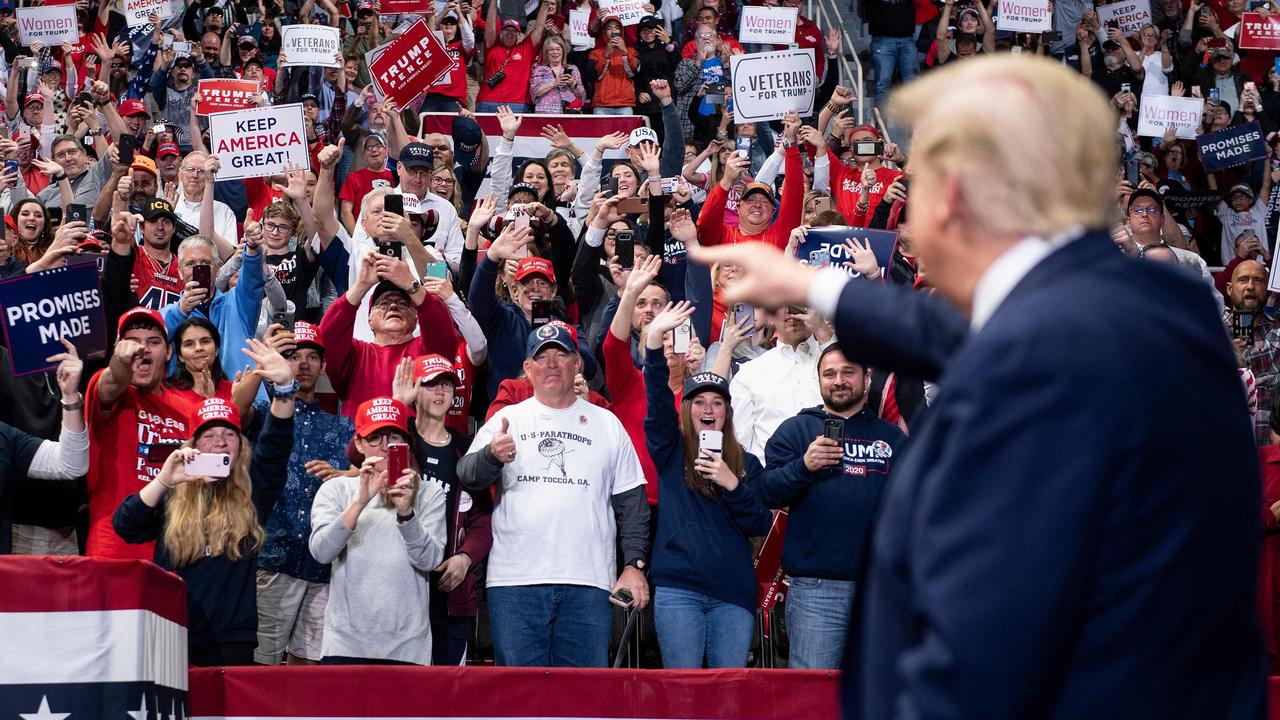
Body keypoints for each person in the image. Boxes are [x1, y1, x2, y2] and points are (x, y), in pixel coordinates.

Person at [688, 55, 1263, 717]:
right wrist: (814, 285)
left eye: (919, 186)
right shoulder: (1142, 312)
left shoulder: (1038, 372)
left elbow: (985, 654)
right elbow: (974, 332)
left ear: (955, 194)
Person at [457, 324, 650, 668]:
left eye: (560, 354)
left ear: (577, 364)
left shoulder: (607, 423)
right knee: (517, 699)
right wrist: (491, 456)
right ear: (527, 369)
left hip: (589, 582)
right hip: (515, 581)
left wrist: (634, 565)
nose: (551, 364)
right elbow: (467, 475)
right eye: (541, 357)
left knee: (583, 701)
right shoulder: (507, 419)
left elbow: (632, 502)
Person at [113, 338, 297, 666]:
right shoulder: (174, 487)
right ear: (194, 444)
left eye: (228, 436)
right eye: (209, 436)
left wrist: (284, 387)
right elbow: (125, 526)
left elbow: (276, 444)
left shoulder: (252, 489)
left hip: (231, 637)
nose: (219, 443)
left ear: (240, 446)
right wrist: (163, 480)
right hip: (170, 628)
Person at [757, 345, 905, 669]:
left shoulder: (893, 439)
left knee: (876, 695)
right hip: (816, 591)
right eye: (830, 374)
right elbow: (767, 492)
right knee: (812, 698)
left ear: (866, 379)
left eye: (848, 372)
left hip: (879, 592)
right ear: (819, 380)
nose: (839, 380)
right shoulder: (796, 431)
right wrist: (804, 466)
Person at [641, 301, 772, 668]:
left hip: (733, 591)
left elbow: (760, 523)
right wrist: (653, 344)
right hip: (678, 588)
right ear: (687, 410)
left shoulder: (748, 463)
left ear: (728, 412)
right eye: (699, 402)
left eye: (718, 402)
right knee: (683, 695)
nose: (709, 409)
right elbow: (655, 404)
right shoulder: (671, 450)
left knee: (728, 698)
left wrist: (733, 485)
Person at [239, 322, 355, 666]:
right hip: (273, 556)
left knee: (309, 668)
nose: (302, 364)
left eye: (312, 357)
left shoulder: (342, 425)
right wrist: (263, 368)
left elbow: (369, 473)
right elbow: (234, 409)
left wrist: (346, 473)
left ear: (322, 366)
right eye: (292, 356)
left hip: (322, 564)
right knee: (262, 663)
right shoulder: (265, 414)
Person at [310, 397, 448, 665]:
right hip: (346, 644)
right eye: (375, 438)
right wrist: (359, 502)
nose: (385, 447)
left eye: (393, 436)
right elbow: (321, 552)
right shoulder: (336, 490)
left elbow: (430, 560)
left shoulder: (430, 493)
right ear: (359, 444)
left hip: (408, 645)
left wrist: (407, 513)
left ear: (406, 445)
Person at [392, 354, 494, 666]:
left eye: (447, 386)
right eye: (431, 384)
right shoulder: (397, 438)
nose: (440, 392)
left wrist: (466, 559)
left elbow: (483, 520)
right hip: (400, 587)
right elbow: (357, 453)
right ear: (414, 389)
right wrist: (397, 405)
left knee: (449, 695)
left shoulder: (468, 448)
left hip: (450, 591)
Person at [85, 307, 197, 560]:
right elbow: (115, 378)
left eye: (153, 342)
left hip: (171, 553)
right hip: (113, 551)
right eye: (132, 342)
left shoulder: (189, 412)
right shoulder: (108, 390)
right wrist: (121, 361)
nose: (141, 349)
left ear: (168, 352)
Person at [318, 251, 458, 417]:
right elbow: (327, 337)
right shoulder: (356, 355)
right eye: (383, 303)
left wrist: (411, 284)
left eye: (402, 303)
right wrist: (362, 284)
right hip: (362, 441)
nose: (393, 306)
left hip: (413, 442)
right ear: (369, 320)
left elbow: (442, 329)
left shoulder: (427, 353)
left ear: (416, 318)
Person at [729, 306, 831, 462]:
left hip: (832, 473)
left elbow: (859, 388)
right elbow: (742, 443)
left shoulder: (836, 365)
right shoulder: (749, 374)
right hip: (773, 477)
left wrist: (821, 330)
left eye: (798, 302)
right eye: (781, 303)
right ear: (770, 316)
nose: (790, 311)